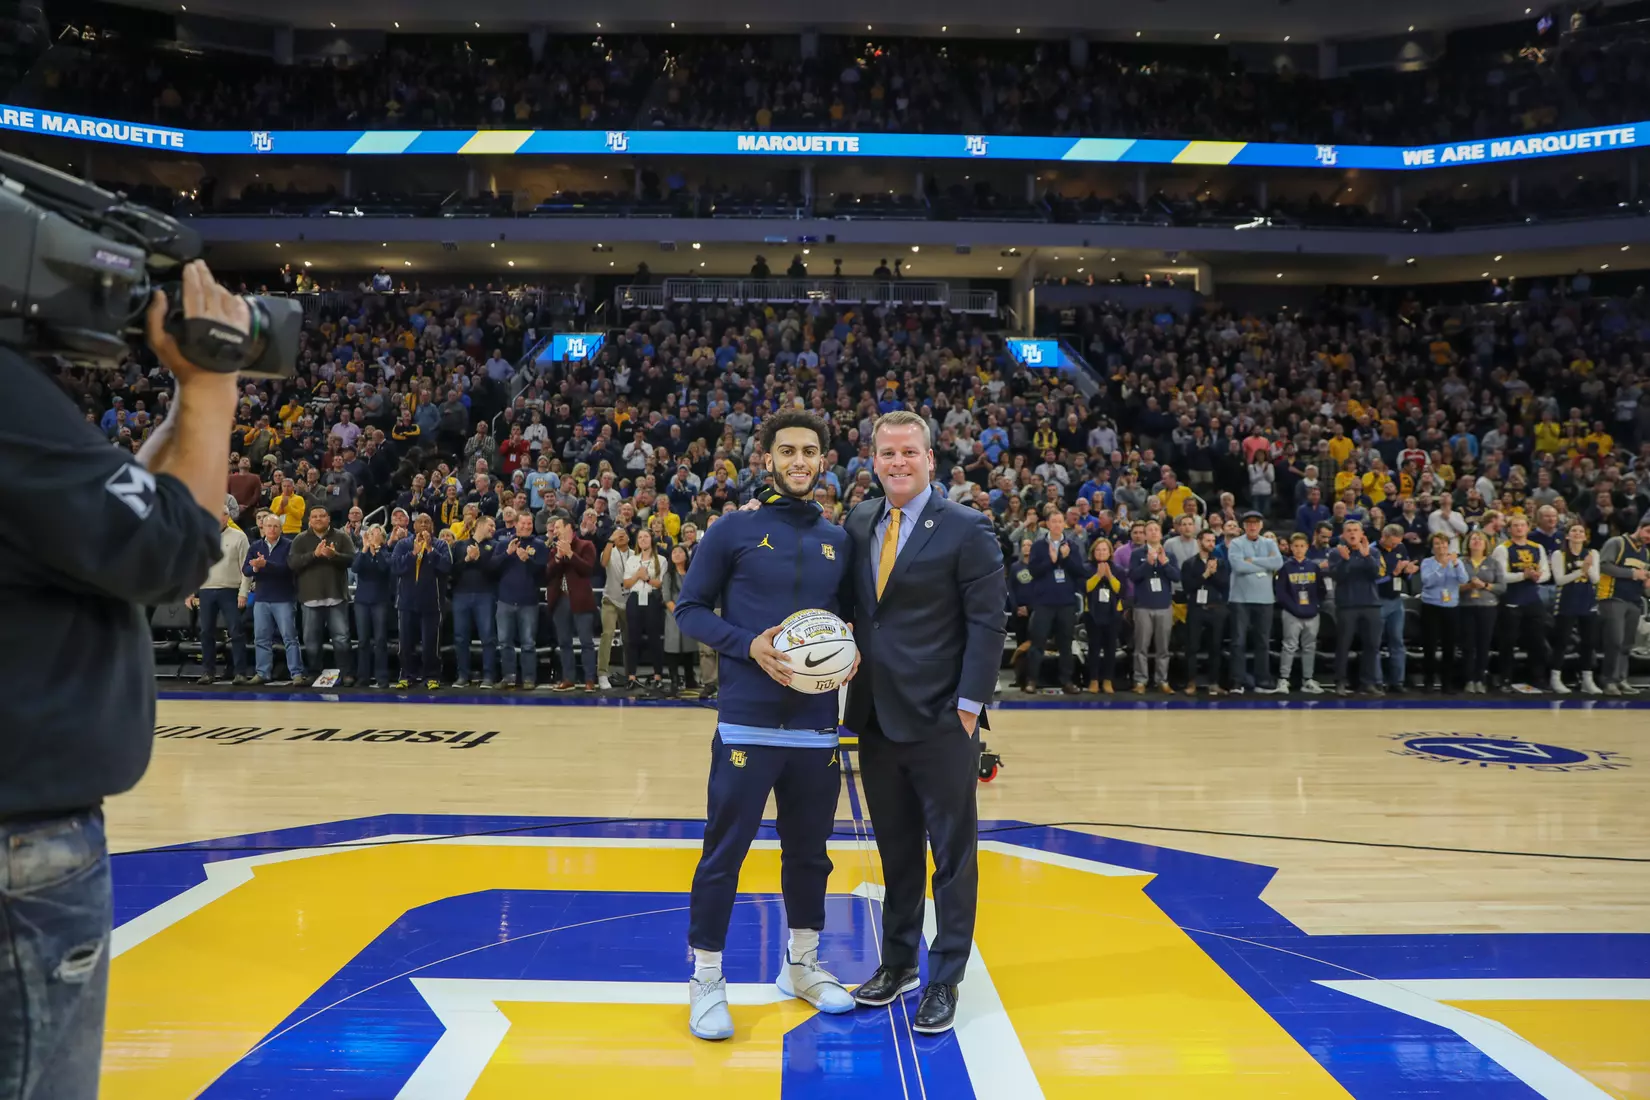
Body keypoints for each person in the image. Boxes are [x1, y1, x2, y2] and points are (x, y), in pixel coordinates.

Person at [0, 259, 243, 1099]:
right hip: (20, 836)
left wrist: (181, 408)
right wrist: (212, 386)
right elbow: (165, 553)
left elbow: (110, 529)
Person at [673, 410, 857, 1041]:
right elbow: (690, 609)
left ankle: (801, 966)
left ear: (824, 460)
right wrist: (747, 645)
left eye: (809, 450)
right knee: (724, 854)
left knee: (810, 856)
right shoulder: (733, 530)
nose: (799, 461)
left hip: (815, 728)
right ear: (768, 459)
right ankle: (706, 978)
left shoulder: (840, 539)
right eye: (787, 451)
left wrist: (850, 648)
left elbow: (854, 622)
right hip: (747, 722)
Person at [841, 410, 1006, 1035]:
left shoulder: (967, 529)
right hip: (876, 718)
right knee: (897, 852)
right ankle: (898, 963)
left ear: (931, 459)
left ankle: (945, 979)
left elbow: (988, 624)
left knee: (952, 857)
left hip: (942, 719)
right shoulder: (860, 521)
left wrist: (968, 708)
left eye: (909, 452)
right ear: (873, 460)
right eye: (887, 453)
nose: (898, 462)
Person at [187, 496, 252, 684]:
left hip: (230, 590)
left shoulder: (239, 536)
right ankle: (208, 672)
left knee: (236, 631)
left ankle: (240, 672)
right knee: (206, 632)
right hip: (206, 591)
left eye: (222, 515)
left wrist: (243, 592)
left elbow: (246, 568)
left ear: (227, 516)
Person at [1021, 511, 1087, 694]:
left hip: (1066, 602)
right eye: (1054, 521)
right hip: (1044, 602)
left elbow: (1079, 571)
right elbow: (1033, 571)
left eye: (1060, 521)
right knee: (1038, 643)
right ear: (1048, 524)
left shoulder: (1072, 545)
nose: (1057, 524)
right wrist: (1052, 561)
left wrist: (1064, 559)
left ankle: (1066, 680)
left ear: (1064, 524)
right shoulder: (1039, 546)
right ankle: (1032, 679)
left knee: (1066, 644)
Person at [288, 506, 356, 683]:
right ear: (309, 520)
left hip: (336, 596)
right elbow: (293, 563)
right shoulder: (300, 539)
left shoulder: (341, 536)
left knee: (341, 638)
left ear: (328, 519)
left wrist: (334, 555)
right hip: (310, 598)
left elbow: (352, 560)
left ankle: (346, 673)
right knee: (311, 640)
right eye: (315, 516)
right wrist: (314, 554)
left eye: (322, 516)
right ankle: (314, 672)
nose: (318, 519)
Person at [1492, 514, 1552, 692]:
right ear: (1509, 529)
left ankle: (1537, 678)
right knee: (1508, 642)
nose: (1519, 528)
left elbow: (1547, 573)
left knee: (1537, 641)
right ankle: (1505, 679)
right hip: (1511, 600)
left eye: (1522, 525)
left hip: (1532, 599)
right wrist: (1523, 576)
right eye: (1515, 525)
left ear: (1528, 528)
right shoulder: (1503, 549)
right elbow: (1501, 577)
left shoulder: (1537, 547)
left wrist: (1537, 577)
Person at [392, 513, 451, 689]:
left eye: (427, 522)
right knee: (405, 643)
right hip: (406, 603)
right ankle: (406, 675)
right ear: (414, 526)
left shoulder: (441, 544)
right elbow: (395, 567)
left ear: (432, 526)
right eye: (420, 522)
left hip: (432, 603)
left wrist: (430, 549)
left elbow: (446, 567)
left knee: (430, 644)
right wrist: (413, 554)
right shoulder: (403, 544)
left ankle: (431, 676)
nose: (424, 525)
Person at [245, 512, 305, 684]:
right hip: (262, 598)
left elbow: (289, 568)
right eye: (268, 526)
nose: (271, 529)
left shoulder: (289, 545)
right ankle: (262, 673)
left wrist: (266, 565)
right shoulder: (255, 546)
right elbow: (245, 570)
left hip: (284, 598)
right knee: (261, 638)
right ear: (262, 527)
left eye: (275, 526)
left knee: (289, 637)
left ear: (281, 528)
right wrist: (255, 569)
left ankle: (296, 674)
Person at [1227, 510, 1283, 693]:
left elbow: (1278, 563)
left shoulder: (1269, 542)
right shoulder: (1236, 543)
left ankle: (1262, 680)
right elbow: (1238, 566)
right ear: (1243, 526)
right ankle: (1238, 681)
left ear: (1261, 525)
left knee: (1263, 642)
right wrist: (1263, 563)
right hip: (1240, 599)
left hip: (1265, 599)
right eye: (1248, 523)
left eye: (1256, 523)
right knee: (1238, 641)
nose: (1252, 526)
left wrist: (1253, 560)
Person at [1596, 515, 1649, 696]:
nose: (1649, 537)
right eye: (1648, 531)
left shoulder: (1646, 552)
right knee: (1615, 642)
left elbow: (1643, 577)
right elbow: (1604, 566)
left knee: (1627, 644)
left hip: (1633, 600)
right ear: (1640, 527)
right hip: (1612, 597)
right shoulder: (1617, 542)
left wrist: (1646, 582)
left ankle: (1621, 679)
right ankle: (1608, 681)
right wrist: (1633, 574)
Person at [493, 513, 546, 690]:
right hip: (505, 600)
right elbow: (491, 568)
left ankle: (529, 678)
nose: (526, 526)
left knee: (528, 642)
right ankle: (508, 677)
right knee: (504, 641)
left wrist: (527, 560)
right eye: (523, 523)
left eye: (529, 523)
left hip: (529, 601)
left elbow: (543, 574)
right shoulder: (503, 543)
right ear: (515, 524)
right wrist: (507, 554)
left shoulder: (539, 545)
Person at [545, 514, 598, 691]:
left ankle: (590, 679)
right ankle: (569, 678)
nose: (555, 531)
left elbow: (588, 569)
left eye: (558, 527)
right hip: (560, 600)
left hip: (581, 600)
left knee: (586, 641)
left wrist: (570, 554)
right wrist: (559, 557)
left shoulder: (586, 545)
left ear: (569, 527)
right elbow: (548, 573)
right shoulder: (554, 549)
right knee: (564, 642)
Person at [1329, 520, 1382, 695]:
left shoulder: (1372, 551)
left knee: (1372, 645)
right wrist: (1345, 561)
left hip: (1371, 604)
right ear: (1343, 535)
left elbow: (1375, 574)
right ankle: (1340, 682)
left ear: (1361, 535)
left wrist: (1366, 556)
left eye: (1356, 531)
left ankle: (1368, 682)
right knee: (1343, 645)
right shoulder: (1336, 553)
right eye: (1349, 531)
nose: (1352, 534)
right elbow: (1339, 577)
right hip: (1347, 605)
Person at [1127, 520, 1180, 693]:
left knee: (1163, 647)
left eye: (1156, 529)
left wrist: (1164, 563)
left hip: (1164, 606)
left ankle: (1162, 680)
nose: (1154, 532)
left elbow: (1176, 577)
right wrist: (1147, 563)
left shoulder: (1169, 554)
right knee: (1141, 646)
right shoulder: (1137, 554)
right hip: (1143, 606)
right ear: (1145, 534)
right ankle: (1140, 681)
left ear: (1160, 533)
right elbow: (1133, 576)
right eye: (1150, 530)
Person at [1552, 521, 1603, 695]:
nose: (1577, 533)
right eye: (1574, 530)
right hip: (1567, 599)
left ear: (1585, 536)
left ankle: (1587, 680)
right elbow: (1559, 580)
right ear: (1567, 535)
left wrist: (1587, 569)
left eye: (1581, 531)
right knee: (1562, 641)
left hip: (1587, 599)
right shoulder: (1559, 554)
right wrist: (1581, 570)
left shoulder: (1592, 553)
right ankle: (1555, 678)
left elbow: (1596, 579)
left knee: (1589, 642)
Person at [450, 514, 500, 688]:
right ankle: (463, 675)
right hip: (461, 595)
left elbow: (495, 571)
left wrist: (478, 559)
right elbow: (452, 572)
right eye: (491, 525)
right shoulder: (460, 545)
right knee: (461, 638)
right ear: (479, 524)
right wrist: (466, 560)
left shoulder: (494, 546)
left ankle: (488, 676)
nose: (493, 529)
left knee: (488, 637)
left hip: (485, 595)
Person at [1274, 532, 1326, 694]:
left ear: (1307, 547)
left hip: (1311, 614)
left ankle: (1307, 680)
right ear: (1290, 548)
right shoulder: (1285, 567)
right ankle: (1283, 680)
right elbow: (1280, 593)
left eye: (1302, 546)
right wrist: (1294, 608)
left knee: (1310, 647)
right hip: (1291, 613)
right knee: (1289, 646)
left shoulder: (1313, 567)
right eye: (1295, 546)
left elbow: (1321, 590)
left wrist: (1315, 607)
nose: (1299, 549)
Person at [1181, 528, 1230, 695]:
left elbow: (1224, 585)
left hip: (1216, 609)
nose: (1211, 544)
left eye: (1213, 541)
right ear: (1199, 542)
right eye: (1208, 540)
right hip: (1196, 609)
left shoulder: (1221, 563)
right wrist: (1206, 574)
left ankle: (1214, 683)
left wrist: (1214, 574)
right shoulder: (1189, 564)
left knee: (1215, 647)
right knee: (1192, 647)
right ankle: (1191, 682)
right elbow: (1189, 587)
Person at [1418, 533, 1467, 692]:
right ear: (1433, 548)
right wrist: (1442, 566)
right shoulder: (1427, 562)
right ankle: (1429, 682)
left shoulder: (1456, 561)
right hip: (1431, 606)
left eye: (1444, 544)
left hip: (1451, 607)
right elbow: (1428, 582)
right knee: (1430, 646)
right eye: (1437, 544)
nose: (1441, 547)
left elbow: (1464, 580)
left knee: (1449, 646)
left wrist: (1456, 564)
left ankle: (1447, 683)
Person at [1458, 530, 1505, 694]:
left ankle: (1480, 679)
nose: (1477, 541)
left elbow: (1502, 587)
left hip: (1488, 607)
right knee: (1468, 645)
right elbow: (1452, 586)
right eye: (1473, 539)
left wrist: (1485, 586)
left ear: (1486, 544)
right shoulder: (1461, 562)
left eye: (1480, 539)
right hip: (1466, 607)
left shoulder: (1494, 563)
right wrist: (1468, 586)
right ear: (1468, 543)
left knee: (1483, 645)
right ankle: (1469, 679)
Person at [621, 529, 669, 689]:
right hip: (634, 599)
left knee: (654, 639)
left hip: (652, 598)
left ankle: (657, 676)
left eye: (646, 537)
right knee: (632, 639)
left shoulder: (660, 560)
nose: (643, 540)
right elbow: (627, 583)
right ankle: (632, 676)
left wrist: (647, 578)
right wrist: (637, 576)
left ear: (651, 540)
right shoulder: (632, 560)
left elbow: (661, 584)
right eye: (640, 537)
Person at [1375, 524, 1420, 693]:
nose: (1395, 546)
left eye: (1397, 543)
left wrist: (1409, 572)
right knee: (1376, 643)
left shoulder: (1400, 547)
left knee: (1397, 642)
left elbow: (1405, 574)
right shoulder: (1373, 551)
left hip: (1396, 600)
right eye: (1392, 543)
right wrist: (1393, 573)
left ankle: (1397, 682)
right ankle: (1377, 681)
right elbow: (1374, 580)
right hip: (1378, 600)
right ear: (1383, 536)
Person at [350, 525, 395, 688]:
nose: (373, 536)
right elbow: (355, 568)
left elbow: (384, 568)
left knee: (380, 640)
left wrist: (376, 550)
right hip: (362, 601)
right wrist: (364, 549)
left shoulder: (387, 553)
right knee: (362, 641)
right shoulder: (362, 554)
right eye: (370, 534)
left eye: (376, 534)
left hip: (380, 601)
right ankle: (363, 677)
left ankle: (382, 677)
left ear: (383, 538)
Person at [1082, 538, 1124, 693]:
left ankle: (1107, 680)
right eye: (1098, 550)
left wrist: (1109, 576)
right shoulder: (1086, 568)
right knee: (1093, 647)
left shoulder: (1117, 569)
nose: (1101, 553)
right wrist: (1098, 575)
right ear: (1093, 552)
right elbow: (1085, 587)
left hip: (1113, 613)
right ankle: (1093, 680)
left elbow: (1120, 590)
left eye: (1104, 550)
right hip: (1092, 613)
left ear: (1110, 552)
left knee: (1110, 648)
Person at [660, 544, 699, 695]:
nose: (676, 554)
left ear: (686, 555)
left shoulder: (692, 574)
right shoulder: (668, 575)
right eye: (674, 552)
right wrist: (678, 612)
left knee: (689, 648)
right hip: (674, 615)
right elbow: (666, 598)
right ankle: (674, 680)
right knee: (673, 648)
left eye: (680, 552)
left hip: (691, 614)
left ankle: (690, 679)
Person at [597, 526, 631, 689]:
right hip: (610, 599)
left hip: (630, 601)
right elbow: (603, 563)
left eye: (624, 534)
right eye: (618, 535)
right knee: (607, 634)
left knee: (629, 638)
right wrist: (611, 540)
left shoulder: (635, 555)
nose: (621, 536)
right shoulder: (609, 551)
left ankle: (630, 674)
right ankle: (602, 674)